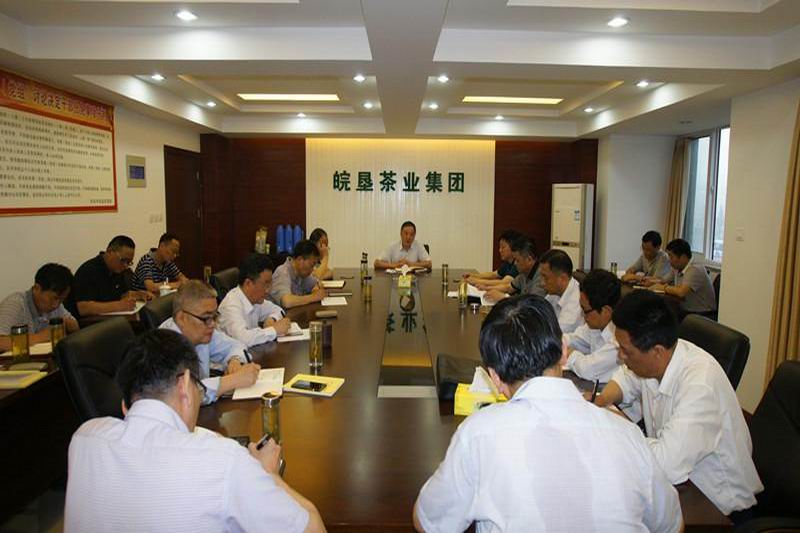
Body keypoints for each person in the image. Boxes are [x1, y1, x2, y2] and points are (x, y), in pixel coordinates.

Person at [413, 295, 682, 532]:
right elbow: (671, 525)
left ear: (494, 378)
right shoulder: (628, 435)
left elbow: (429, 523)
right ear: (564, 351)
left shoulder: (478, 434)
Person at [64, 329, 325, 533]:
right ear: (185, 385)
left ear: (126, 404)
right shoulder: (223, 461)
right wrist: (268, 474)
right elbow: (313, 527)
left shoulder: (85, 437)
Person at [593, 291, 763, 521]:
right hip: (678, 487)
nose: (620, 357)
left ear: (657, 352)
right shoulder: (660, 356)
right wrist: (601, 401)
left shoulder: (700, 384)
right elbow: (626, 379)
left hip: (715, 508)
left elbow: (666, 465)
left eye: (626, 351)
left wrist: (619, 430)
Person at [160, 280, 259, 404]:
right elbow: (180, 396)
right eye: (206, 317)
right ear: (181, 318)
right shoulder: (164, 346)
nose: (212, 324)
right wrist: (230, 381)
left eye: (214, 316)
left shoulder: (202, 332)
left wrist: (234, 360)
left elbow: (236, 345)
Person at [0, 263, 79, 352]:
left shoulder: (56, 305)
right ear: (37, 288)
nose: (56, 305)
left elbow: (75, 327)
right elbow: (1, 343)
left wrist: (65, 322)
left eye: (61, 300)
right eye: (54, 298)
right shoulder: (15, 304)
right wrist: (41, 337)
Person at [218, 253, 292, 347]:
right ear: (248, 283)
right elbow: (242, 339)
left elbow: (278, 310)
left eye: (270, 283)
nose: (268, 290)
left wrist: (272, 319)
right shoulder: (231, 305)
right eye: (265, 284)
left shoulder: (255, 299)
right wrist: (274, 330)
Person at [70, 235, 151, 318]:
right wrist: (118, 306)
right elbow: (83, 308)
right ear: (109, 252)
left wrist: (138, 294)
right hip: (90, 322)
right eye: (123, 260)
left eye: (129, 262)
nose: (126, 266)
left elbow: (121, 294)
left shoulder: (117, 270)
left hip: (112, 318)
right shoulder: (88, 271)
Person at [564, 269, 622, 382]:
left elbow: (587, 369)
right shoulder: (596, 325)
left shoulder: (620, 339)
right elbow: (571, 339)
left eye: (585, 310)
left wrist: (569, 352)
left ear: (606, 311)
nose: (582, 315)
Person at [649, 238, 717, 315]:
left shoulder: (695, 269)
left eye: (671, 257)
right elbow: (663, 280)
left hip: (702, 314)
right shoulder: (677, 267)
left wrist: (663, 288)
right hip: (686, 310)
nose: (669, 260)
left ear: (683, 257)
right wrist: (648, 281)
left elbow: (681, 292)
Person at [483, 237, 544, 302]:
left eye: (517, 260)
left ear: (529, 259)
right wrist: (487, 289)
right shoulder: (524, 273)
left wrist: (504, 297)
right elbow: (509, 287)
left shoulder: (542, 276)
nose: (515, 263)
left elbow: (532, 303)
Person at [538, 249, 584, 333]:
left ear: (562, 278)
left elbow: (555, 335)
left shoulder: (576, 303)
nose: (541, 283)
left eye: (545, 277)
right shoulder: (553, 294)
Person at [271, 240, 327, 309]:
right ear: (300, 259)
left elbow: (317, 284)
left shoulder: (302, 274)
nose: (312, 269)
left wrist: (316, 289)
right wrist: (313, 297)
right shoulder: (282, 272)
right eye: (311, 265)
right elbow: (286, 302)